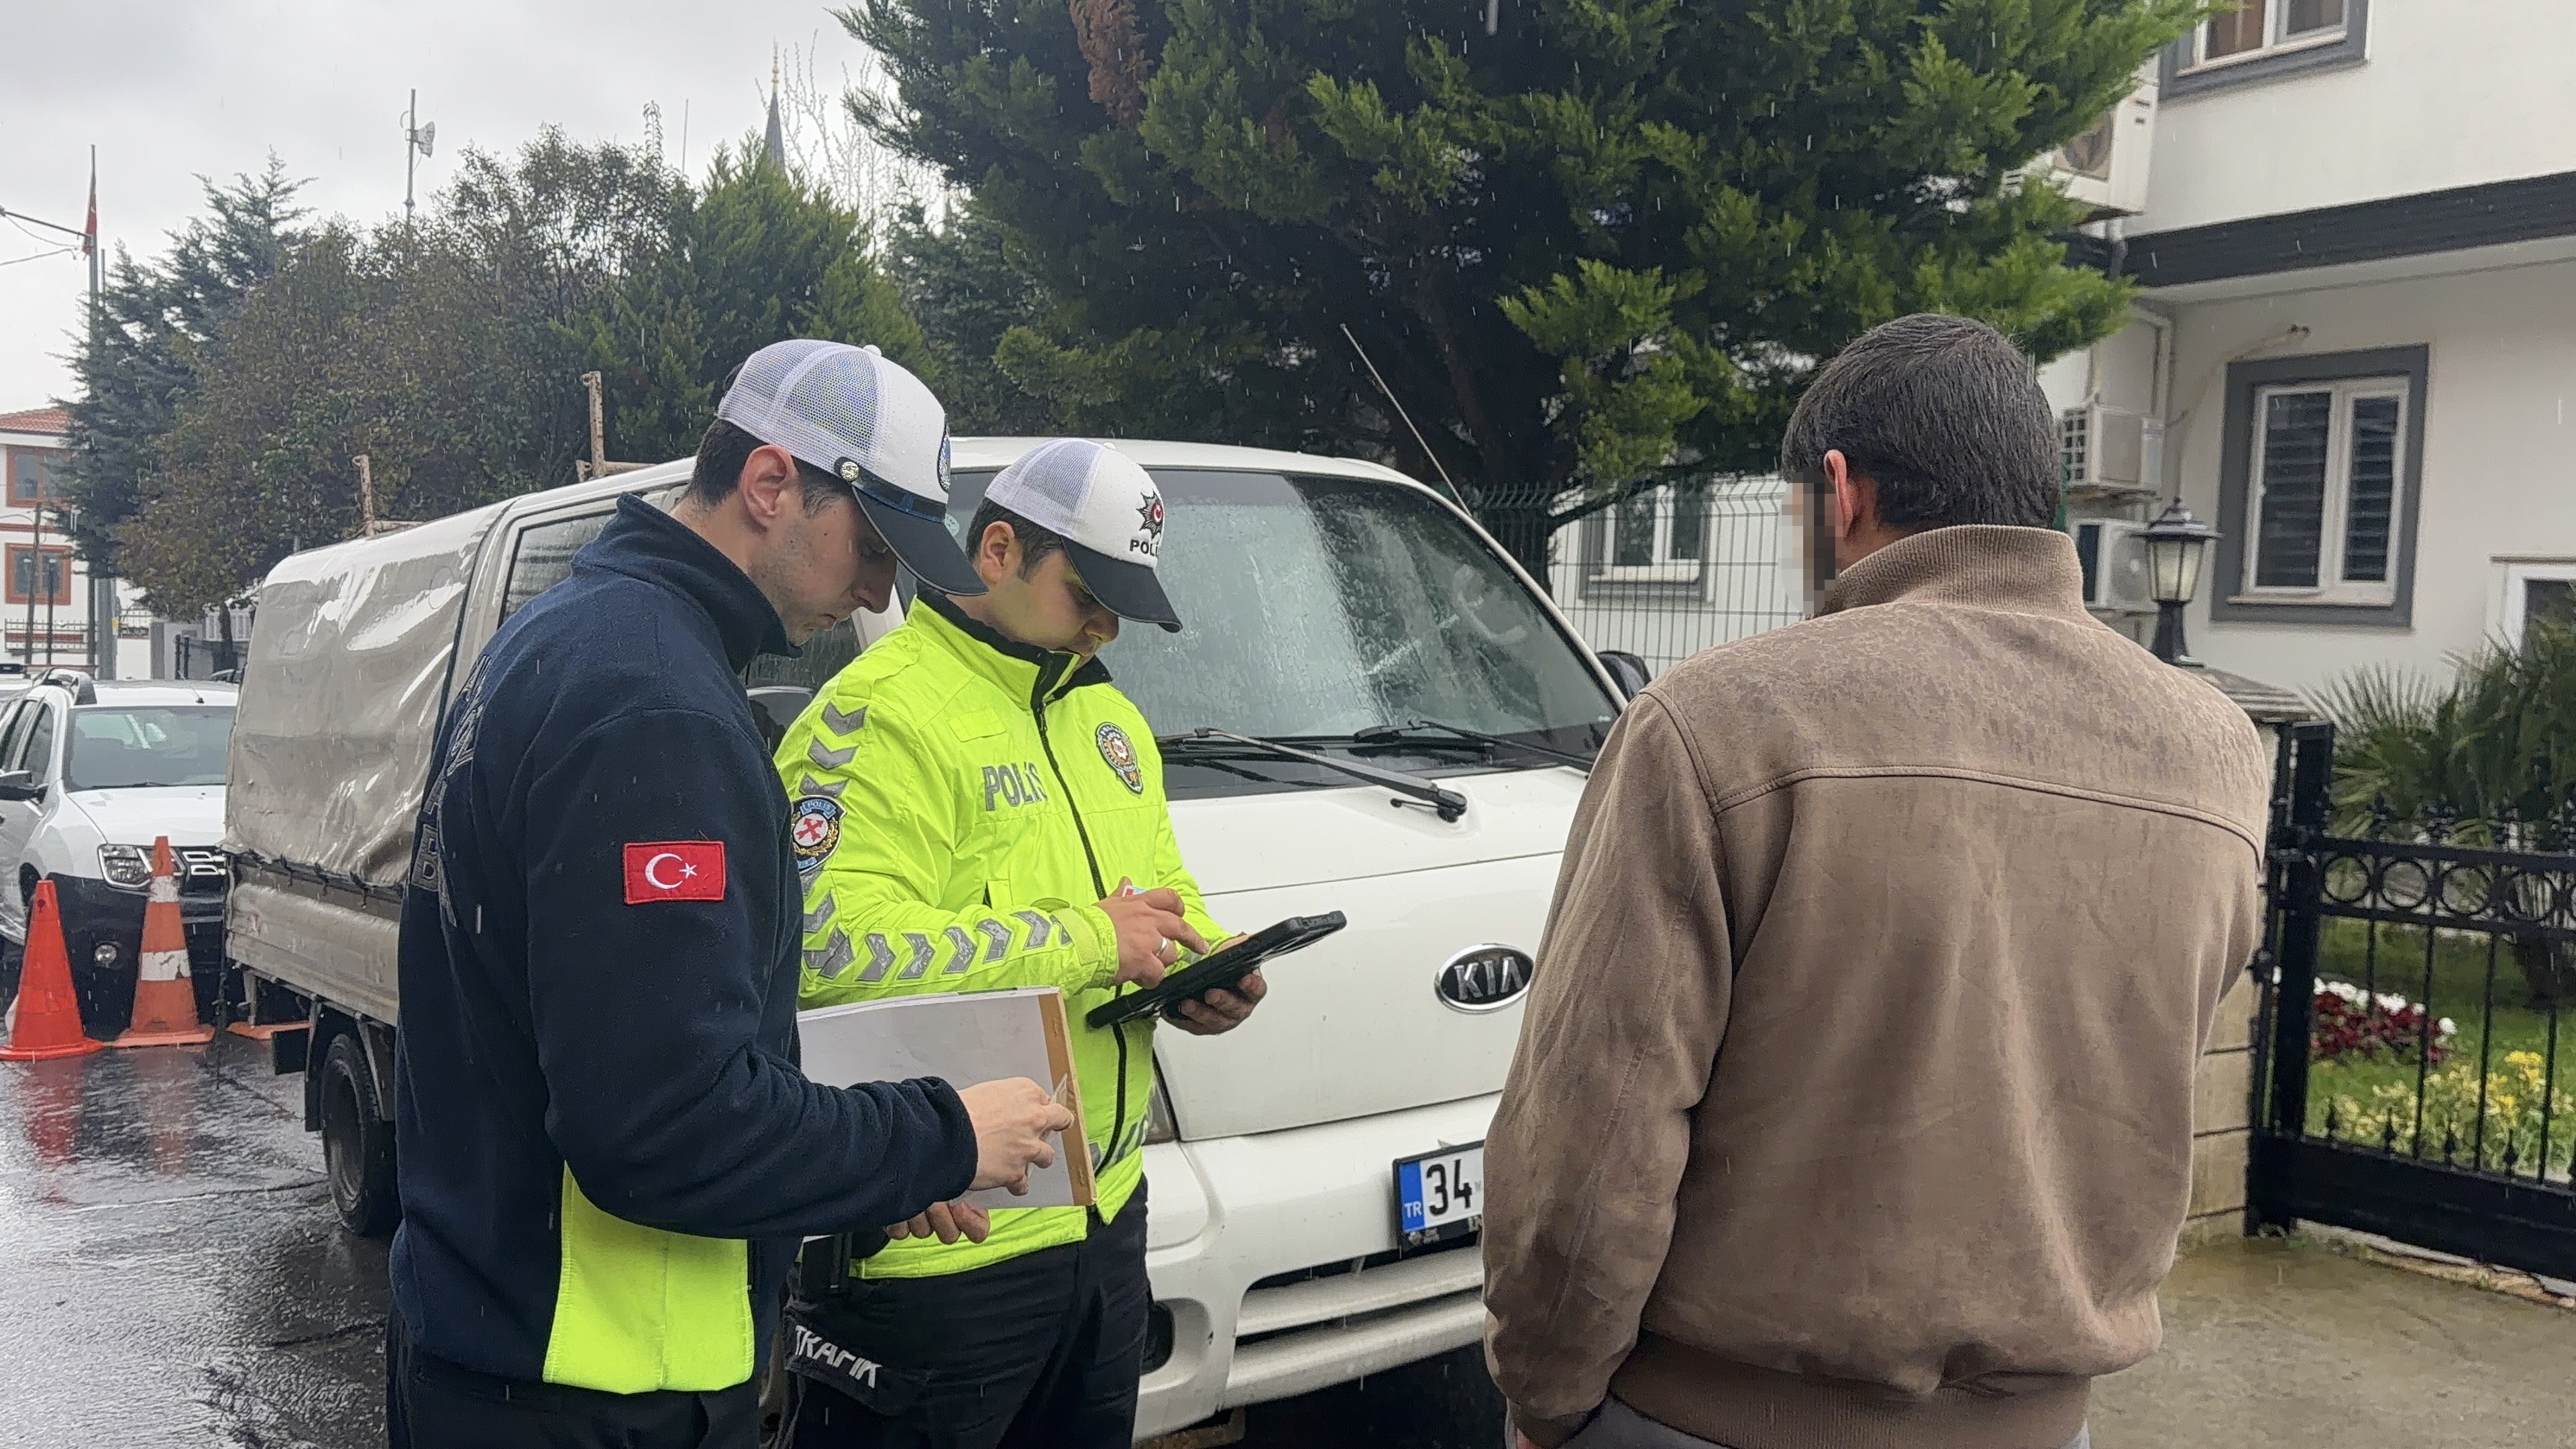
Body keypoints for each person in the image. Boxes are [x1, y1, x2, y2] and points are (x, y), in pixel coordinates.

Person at [1481, 314, 2273, 1449]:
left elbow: (1591, 1141)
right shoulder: (2214, 751)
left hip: (1709, 1419)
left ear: (1840, 492)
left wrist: (1546, 1400)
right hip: (2045, 1429)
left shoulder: (1718, 724)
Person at [386, 339, 1077, 1449]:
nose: (883, 587)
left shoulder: (567, 638)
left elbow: (636, 1047)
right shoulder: (657, 707)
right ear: (771, 484)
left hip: (496, 1335)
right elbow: (663, 1124)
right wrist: (939, 1138)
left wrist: (854, 1173)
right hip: (594, 1382)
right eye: (873, 542)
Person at [775, 437, 1263, 1449]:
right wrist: (1088, 939)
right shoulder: (880, 715)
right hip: (942, 1250)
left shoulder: (1107, 719)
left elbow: (1161, 897)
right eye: (1088, 594)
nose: (1104, 628)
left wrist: (1203, 969)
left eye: (1123, 607)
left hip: (1104, 1221)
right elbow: (826, 951)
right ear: (996, 550)